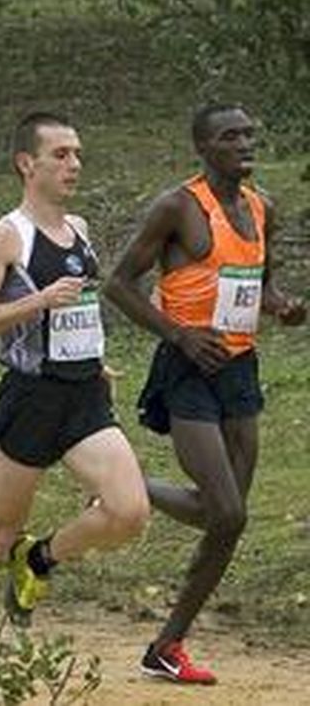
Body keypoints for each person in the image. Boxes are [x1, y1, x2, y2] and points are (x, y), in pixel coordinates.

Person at [104, 104, 303, 684]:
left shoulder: (264, 206)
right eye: (230, 136)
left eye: (249, 133)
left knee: (225, 521)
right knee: (229, 510)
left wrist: (282, 306)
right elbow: (118, 284)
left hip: (240, 369)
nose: (245, 143)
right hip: (187, 370)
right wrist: (180, 335)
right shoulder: (178, 207)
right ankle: (128, 493)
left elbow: (256, 285)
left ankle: (166, 644)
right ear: (203, 147)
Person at [0, 112, 148, 625]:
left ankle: (39, 558)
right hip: (31, 400)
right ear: (25, 164)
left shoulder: (78, 230)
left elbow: (75, 311)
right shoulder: (6, 236)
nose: (74, 164)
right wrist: (36, 302)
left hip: (83, 396)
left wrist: (92, 357)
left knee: (128, 513)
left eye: (77, 154)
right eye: (60, 155)